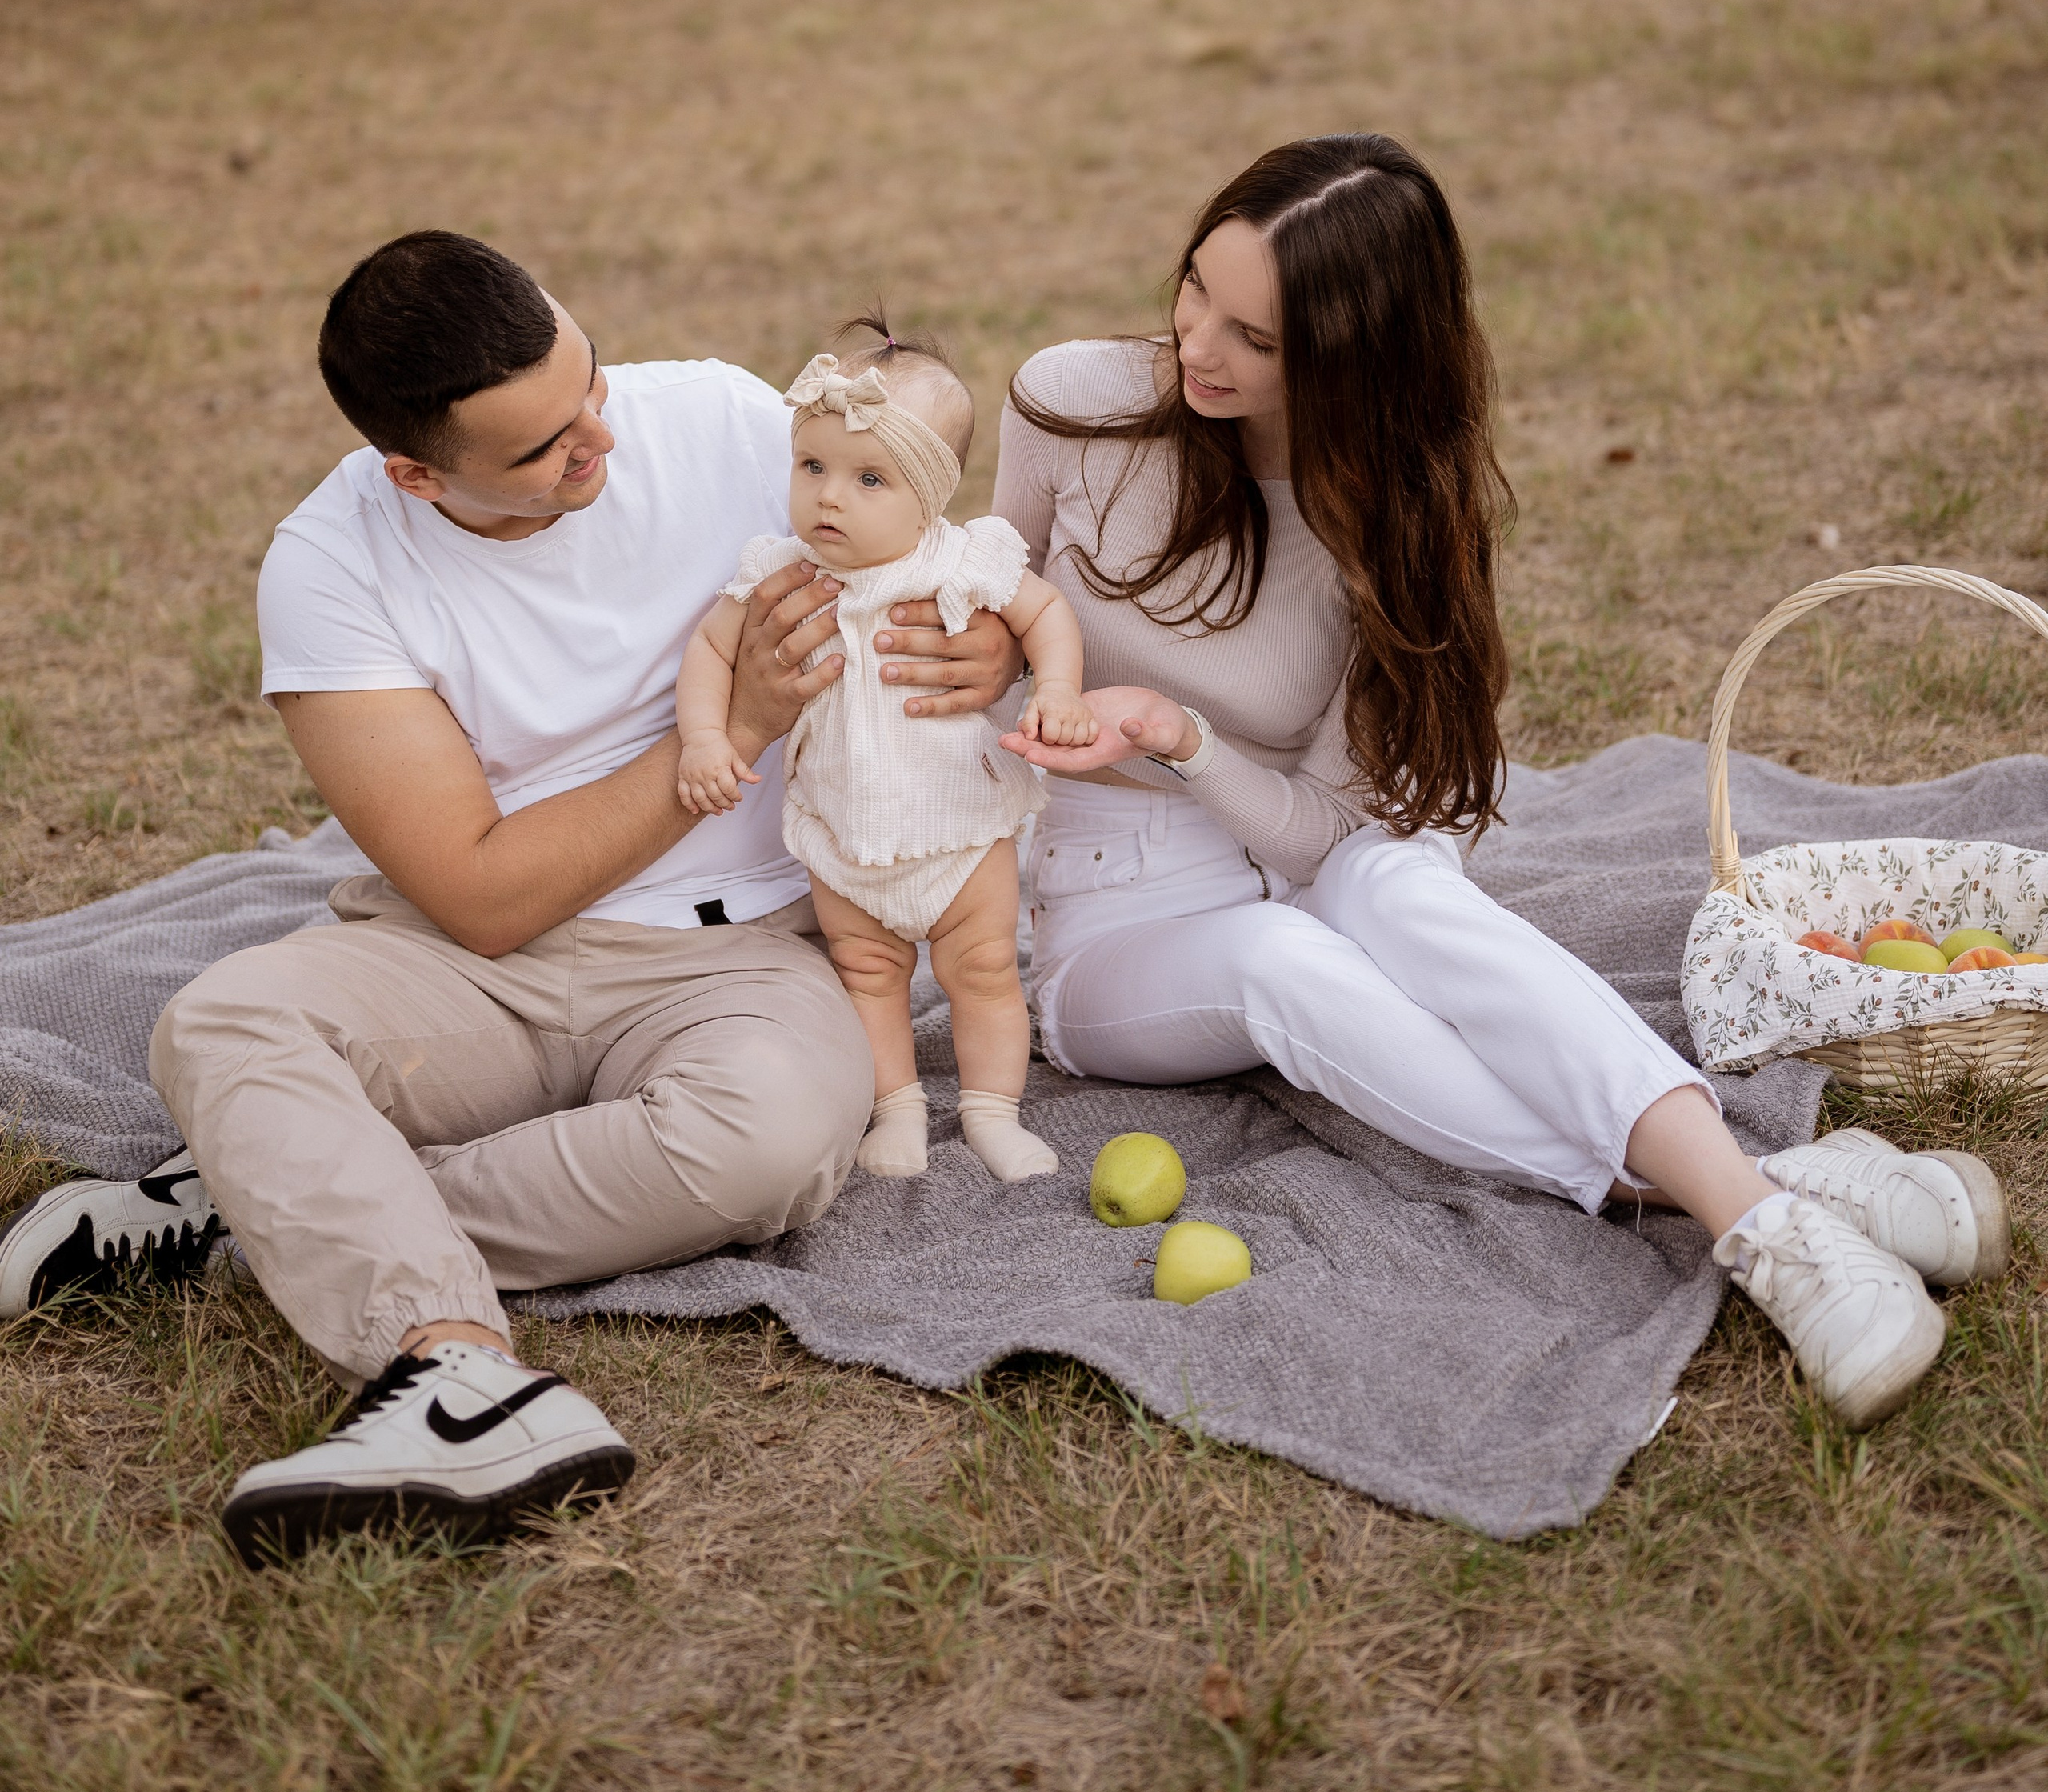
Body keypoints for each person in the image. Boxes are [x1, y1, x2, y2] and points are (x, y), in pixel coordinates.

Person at [0, 232, 1016, 1562]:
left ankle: (268, 1204)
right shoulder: (332, 565)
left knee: (770, 1139)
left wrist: (979, 644)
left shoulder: (715, 418)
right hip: (481, 954)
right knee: (219, 1024)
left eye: (587, 384)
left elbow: (903, 546)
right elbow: (478, 893)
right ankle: (458, 1373)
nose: (598, 438)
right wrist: (737, 726)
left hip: (750, 950)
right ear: (415, 471)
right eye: (542, 448)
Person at [993, 133, 2010, 1431]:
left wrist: (1181, 735)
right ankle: (1761, 1192)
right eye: (1197, 287)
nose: (1200, 344)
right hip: (1110, 917)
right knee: (1279, 964)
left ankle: (1762, 1226)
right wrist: (1007, 671)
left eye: (1258, 335)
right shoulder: (1071, 402)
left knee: (1405, 897)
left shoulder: (1386, 516)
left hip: (1302, 841)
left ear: (1358, 356)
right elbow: (979, 608)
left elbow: (1321, 834)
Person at [678, 324, 1098, 1182]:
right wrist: (704, 737)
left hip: (958, 823)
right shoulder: (780, 571)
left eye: (868, 478)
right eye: (812, 468)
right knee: (867, 973)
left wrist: (1056, 687)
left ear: (930, 496)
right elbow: (709, 650)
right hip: (842, 831)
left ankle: (990, 1110)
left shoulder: (962, 558)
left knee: (981, 966)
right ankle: (897, 1108)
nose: (829, 498)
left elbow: (1046, 613)